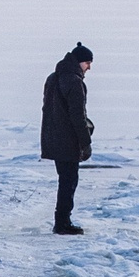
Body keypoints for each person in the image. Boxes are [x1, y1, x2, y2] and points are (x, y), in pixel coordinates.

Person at [39, 42, 94, 234]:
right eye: (87, 63)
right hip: (68, 140)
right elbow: (77, 116)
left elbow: (50, 110)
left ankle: (61, 221)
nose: (89, 68)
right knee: (69, 182)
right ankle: (62, 223)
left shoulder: (53, 78)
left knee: (65, 180)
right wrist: (86, 142)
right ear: (79, 62)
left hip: (53, 137)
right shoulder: (75, 82)